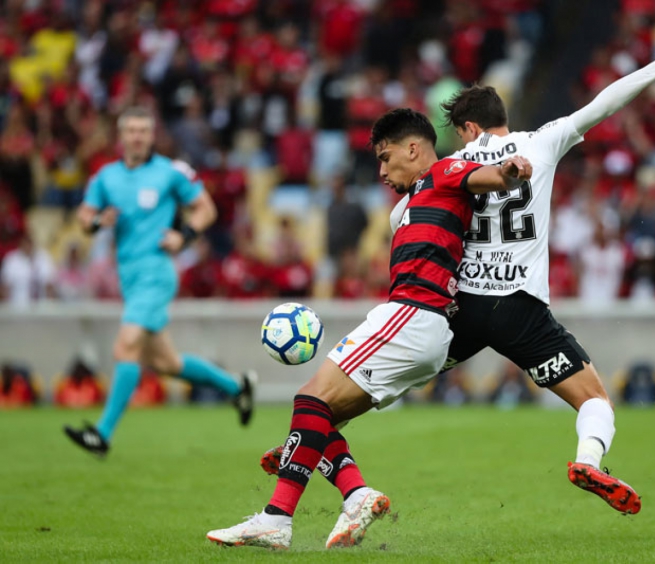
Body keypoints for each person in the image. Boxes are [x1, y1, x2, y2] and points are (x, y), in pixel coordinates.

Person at [362, 23, 655, 515]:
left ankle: (321, 435)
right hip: (520, 307)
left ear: (469, 129)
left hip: (463, 307)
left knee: (392, 377)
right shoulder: (541, 142)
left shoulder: (451, 166)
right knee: (594, 400)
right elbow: (605, 102)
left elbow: (402, 217)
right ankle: (589, 461)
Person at [206, 108, 533, 550]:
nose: (380, 170)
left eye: (385, 157)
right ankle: (357, 495)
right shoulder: (417, 198)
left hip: (413, 312)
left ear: (413, 149)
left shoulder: (443, 172)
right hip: (426, 328)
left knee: (309, 400)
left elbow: (489, 177)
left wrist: (510, 171)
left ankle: (276, 520)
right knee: (320, 420)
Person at [63, 106, 256, 457]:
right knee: (168, 364)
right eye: (131, 130)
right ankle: (237, 387)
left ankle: (102, 434)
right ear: (120, 136)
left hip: (156, 272)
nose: (137, 136)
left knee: (126, 347)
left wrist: (184, 236)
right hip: (130, 278)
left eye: (143, 130)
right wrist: (96, 222)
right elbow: (84, 216)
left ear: (152, 135)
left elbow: (205, 209)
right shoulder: (105, 176)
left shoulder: (170, 172)